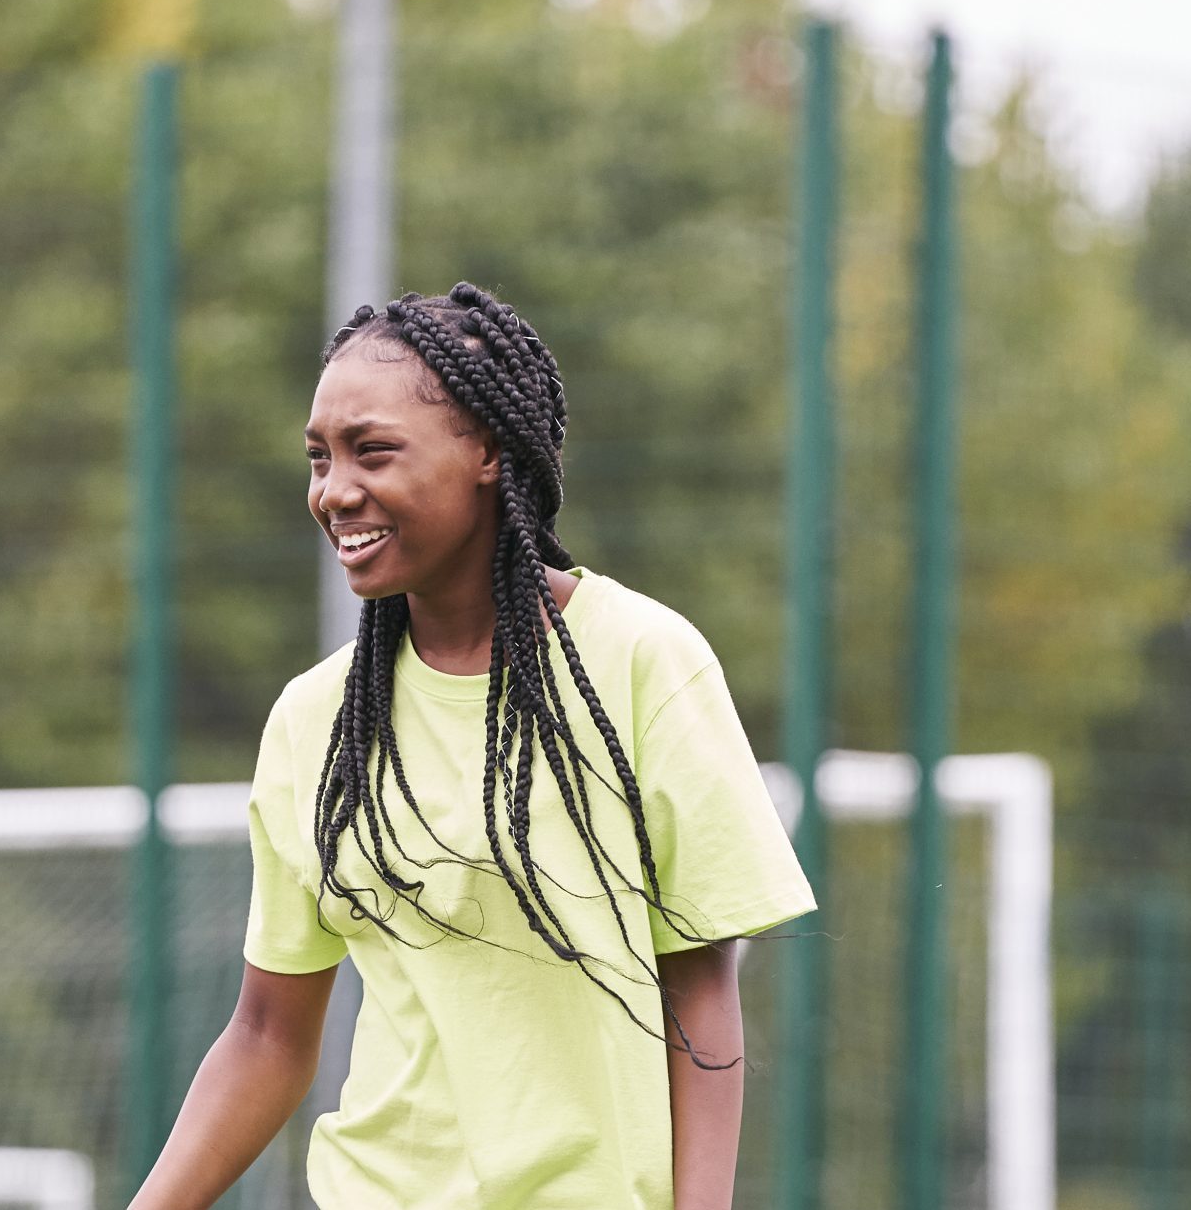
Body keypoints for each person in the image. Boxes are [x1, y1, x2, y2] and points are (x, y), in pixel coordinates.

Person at [129, 284, 817, 1209]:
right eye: (318, 457)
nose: (334, 490)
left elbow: (699, 991)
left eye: (372, 450)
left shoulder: (645, 663)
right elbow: (265, 1034)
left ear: (490, 451)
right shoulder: (312, 720)